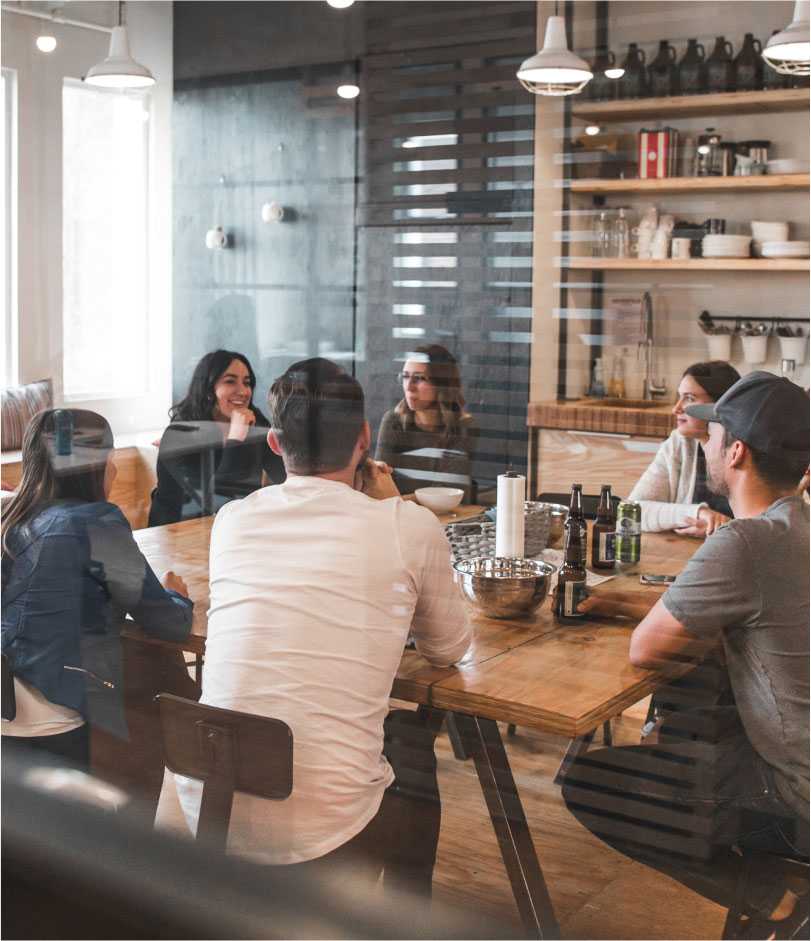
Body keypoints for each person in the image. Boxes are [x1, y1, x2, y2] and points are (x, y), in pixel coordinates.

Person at [174, 358, 471, 899]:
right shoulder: (407, 525)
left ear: (274, 443)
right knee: (413, 753)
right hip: (324, 831)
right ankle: (408, 918)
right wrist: (392, 509)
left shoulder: (234, 520)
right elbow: (449, 649)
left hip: (208, 806)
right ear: (364, 438)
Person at [563, 371, 809, 937]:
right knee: (696, 710)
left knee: (591, 784)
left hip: (793, 795)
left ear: (738, 451)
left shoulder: (745, 542)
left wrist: (630, 615)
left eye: (716, 432)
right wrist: (626, 604)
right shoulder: (796, 526)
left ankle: (778, 904)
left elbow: (647, 649)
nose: (708, 443)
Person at [1, 409, 194, 772]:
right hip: (55, 718)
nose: (115, 469)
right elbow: (168, 623)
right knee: (155, 684)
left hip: (5, 710)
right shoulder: (94, 523)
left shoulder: (13, 520)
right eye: (109, 458)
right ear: (93, 466)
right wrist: (178, 595)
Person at [148, 350, 286, 526]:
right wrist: (236, 439)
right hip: (177, 532)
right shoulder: (179, 433)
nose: (243, 391)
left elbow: (285, 475)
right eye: (230, 381)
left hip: (234, 527)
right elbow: (216, 502)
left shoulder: (254, 421)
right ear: (208, 389)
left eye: (247, 382)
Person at [629, 360, 740, 535]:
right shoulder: (679, 443)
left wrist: (720, 528)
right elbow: (631, 511)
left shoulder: (746, 451)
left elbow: (765, 528)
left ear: (720, 405)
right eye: (679, 397)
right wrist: (698, 513)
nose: (676, 408)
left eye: (689, 398)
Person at [375, 344, 478, 500]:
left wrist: (401, 499)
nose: (409, 387)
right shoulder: (394, 422)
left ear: (441, 385)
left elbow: (451, 494)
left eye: (419, 378)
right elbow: (379, 487)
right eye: (405, 376)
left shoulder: (463, 426)